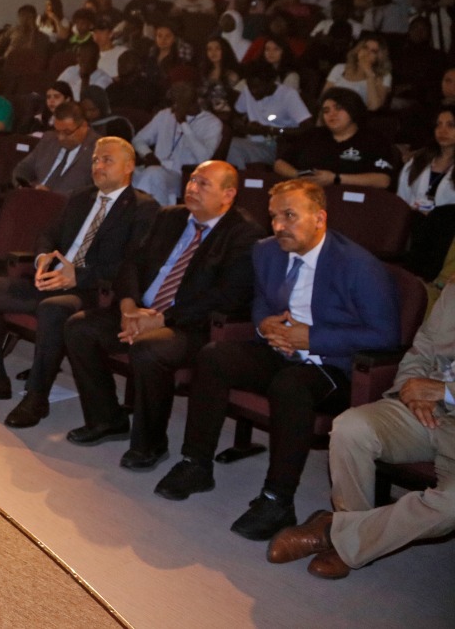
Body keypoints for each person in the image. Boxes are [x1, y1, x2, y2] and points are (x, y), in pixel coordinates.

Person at [156, 179, 399, 539]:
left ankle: (277, 500)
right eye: (274, 217)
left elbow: (386, 335)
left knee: (290, 385)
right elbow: (262, 302)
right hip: (281, 349)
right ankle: (196, 464)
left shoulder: (358, 265)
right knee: (214, 357)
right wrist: (264, 323)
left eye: (290, 216)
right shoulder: (267, 251)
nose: (279, 225)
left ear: (319, 218)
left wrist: (312, 338)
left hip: (332, 365)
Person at [0, 138, 158, 427]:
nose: (98, 166)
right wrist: (43, 258)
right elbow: (48, 234)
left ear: (129, 166)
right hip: (53, 279)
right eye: (95, 160)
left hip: (93, 291)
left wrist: (78, 275)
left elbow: (130, 264)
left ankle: (36, 397)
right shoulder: (81, 197)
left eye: (107, 160)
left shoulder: (142, 207)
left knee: (53, 308)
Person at [64, 161, 261, 468]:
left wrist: (161, 319)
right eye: (192, 180)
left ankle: (150, 445)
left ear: (228, 194)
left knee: (149, 349)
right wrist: (128, 306)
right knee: (79, 328)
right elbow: (132, 262)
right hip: (140, 310)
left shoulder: (243, 233)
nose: (192, 188)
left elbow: (227, 295)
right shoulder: (170, 216)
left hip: (193, 325)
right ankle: (106, 419)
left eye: (203, 184)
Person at [265, 285, 455, 579]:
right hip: (425, 408)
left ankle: (336, 533)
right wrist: (412, 391)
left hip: (445, 403)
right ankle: (352, 537)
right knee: (350, 427)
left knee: (449, 506)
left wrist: (445, 391)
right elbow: (422, 349)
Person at [274, 88, 399, 190]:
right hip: (308, 196)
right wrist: (298, 176)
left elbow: (383, 180)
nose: (332, 114)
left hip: (353, 201)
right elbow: (280, 164)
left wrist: (336, 178)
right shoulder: (312, 135)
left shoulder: (374, 140)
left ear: (353, 109)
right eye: (326, 111)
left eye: (338, 108)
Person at [132, 83, 223, 208]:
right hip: (156, 168)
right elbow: (138, 139)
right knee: (122, 172)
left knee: (153, 174)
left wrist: (184, 123)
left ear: (194, 100)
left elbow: (204, 157)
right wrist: (148, 155)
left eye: (180, 99)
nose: (175, 104)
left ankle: (155, 215)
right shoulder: (165, 115)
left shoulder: (212, 123)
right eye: (174, 99)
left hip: (182, 176)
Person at [398, 109, 455, 278]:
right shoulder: (419, 160)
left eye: (450, 125)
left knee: (442, 218)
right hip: (415, 221)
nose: (442, 130)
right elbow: (402, 197)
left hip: (448, 229)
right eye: (438, 125)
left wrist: (434, 215)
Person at [227, 66, 312, 168]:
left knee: (234, 148)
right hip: (254, 142)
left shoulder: (288, 95)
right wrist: (244, 126)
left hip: (280, 147)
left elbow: (307, 128)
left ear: (270, 82)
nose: (253, 91)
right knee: (228, 144)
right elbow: (236, 115)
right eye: (250, 87)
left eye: (257, 87)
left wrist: (271, 130)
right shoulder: (247, 91)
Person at [11, 102, 97, 195]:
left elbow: (95, 190)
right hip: (34, 196)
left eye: (67, 132)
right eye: (57, 131)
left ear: (84, 126)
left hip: (67, 202)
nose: (60, 138)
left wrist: (53, 198)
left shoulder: (98, 149)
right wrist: (28, 188)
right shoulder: (49, 139)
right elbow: (22, 169)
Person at [324, 36, 391, 113]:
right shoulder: (339, 68)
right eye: (365, 47)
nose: (367, 53)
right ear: (358, 50)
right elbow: (324, 97)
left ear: (378, 57)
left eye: (373, 51)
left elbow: (374, 107)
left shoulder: (384, 76)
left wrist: (369, 73)